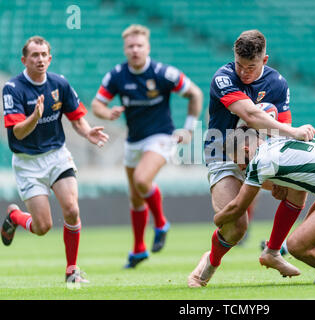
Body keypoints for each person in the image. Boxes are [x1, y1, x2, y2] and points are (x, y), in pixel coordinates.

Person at [188, 128, 315, 287]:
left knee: (296, 244)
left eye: (238, 161)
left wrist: (217, 220)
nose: (240, 169)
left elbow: (238, 207)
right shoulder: (278, 139)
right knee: (314, 232)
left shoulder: (260, 161)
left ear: (246, 150)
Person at [198, 29, 315, 285]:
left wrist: (278, 174)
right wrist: (294, 132)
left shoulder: (277, 83)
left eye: (250, 66)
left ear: (264, 60)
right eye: (239, 65)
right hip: (223, 156)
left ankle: (272, 251)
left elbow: (280, 134)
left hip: (259, 155)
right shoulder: (223, 78)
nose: (243, 72)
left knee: (298, 188)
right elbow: (251, 116)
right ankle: (211, 262)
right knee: (236, 227)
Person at [91, 24, 203, 268]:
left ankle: (161, 223)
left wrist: (189, 128)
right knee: (135, 197)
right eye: (130, 46)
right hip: (133, 140)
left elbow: (195, 94)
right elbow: (96, 104)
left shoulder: (163, 73)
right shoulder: (117, 75)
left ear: (147, 47)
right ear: (125, 49)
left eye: (139, 46)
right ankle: (139, 249)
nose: (134, 50)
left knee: (142, 181)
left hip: (161, 137)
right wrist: (107, 112)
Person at [1, 36, 109, 283]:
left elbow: (77, 117)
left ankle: (72, 271)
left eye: (43, 55)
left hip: (57, 156)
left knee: (71, 210)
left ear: (50, 58)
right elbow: (17, 131)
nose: (39, 59)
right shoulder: (13, 88)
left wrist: (87, 131)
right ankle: (15, 216)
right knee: (42, 227)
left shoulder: (60, 83)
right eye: (34, 55)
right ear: (24, 60)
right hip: (28, 163)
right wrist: (34, 117)